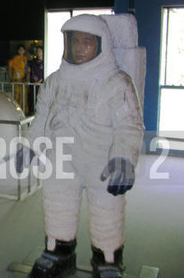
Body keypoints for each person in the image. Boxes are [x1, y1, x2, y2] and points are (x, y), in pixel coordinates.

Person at [21, 15, 144, 278]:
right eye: (74, 41)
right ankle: (58, 254)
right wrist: (30, 146)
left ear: (101, 45)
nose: (79, 48)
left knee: (107, 212)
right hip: (60, 159)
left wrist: (123, 157)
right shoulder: (55, 81)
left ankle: (108, 261)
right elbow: (42, 118)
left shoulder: (117, 82)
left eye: (87, 42)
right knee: (57, 205)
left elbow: (129, 125)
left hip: (102, 160)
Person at [8, 44, 28, 114]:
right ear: (18, 51)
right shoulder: (14, 59)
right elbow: (10, 69)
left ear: (24, 51)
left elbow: (26, 70)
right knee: (16, 97)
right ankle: (15, 112)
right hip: (15, 81)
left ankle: (23, 113)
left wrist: (26, 79)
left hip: (23, 82)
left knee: (23, 97)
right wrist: (11, 79)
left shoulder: (25, 59)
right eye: (20, 49)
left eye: (23, 49)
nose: (21, 51)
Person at [27, 46, 44, 115]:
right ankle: (32, 113)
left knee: (40, 98)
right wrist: (27, 80)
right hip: (32, 84)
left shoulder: (45, 61)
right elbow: (28, 71)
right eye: (37, 51)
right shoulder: (33, 61)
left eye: (40, 51)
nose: (38, 52)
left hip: (40, 85)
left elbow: (45, 74)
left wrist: (39, 82)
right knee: (32, 98)